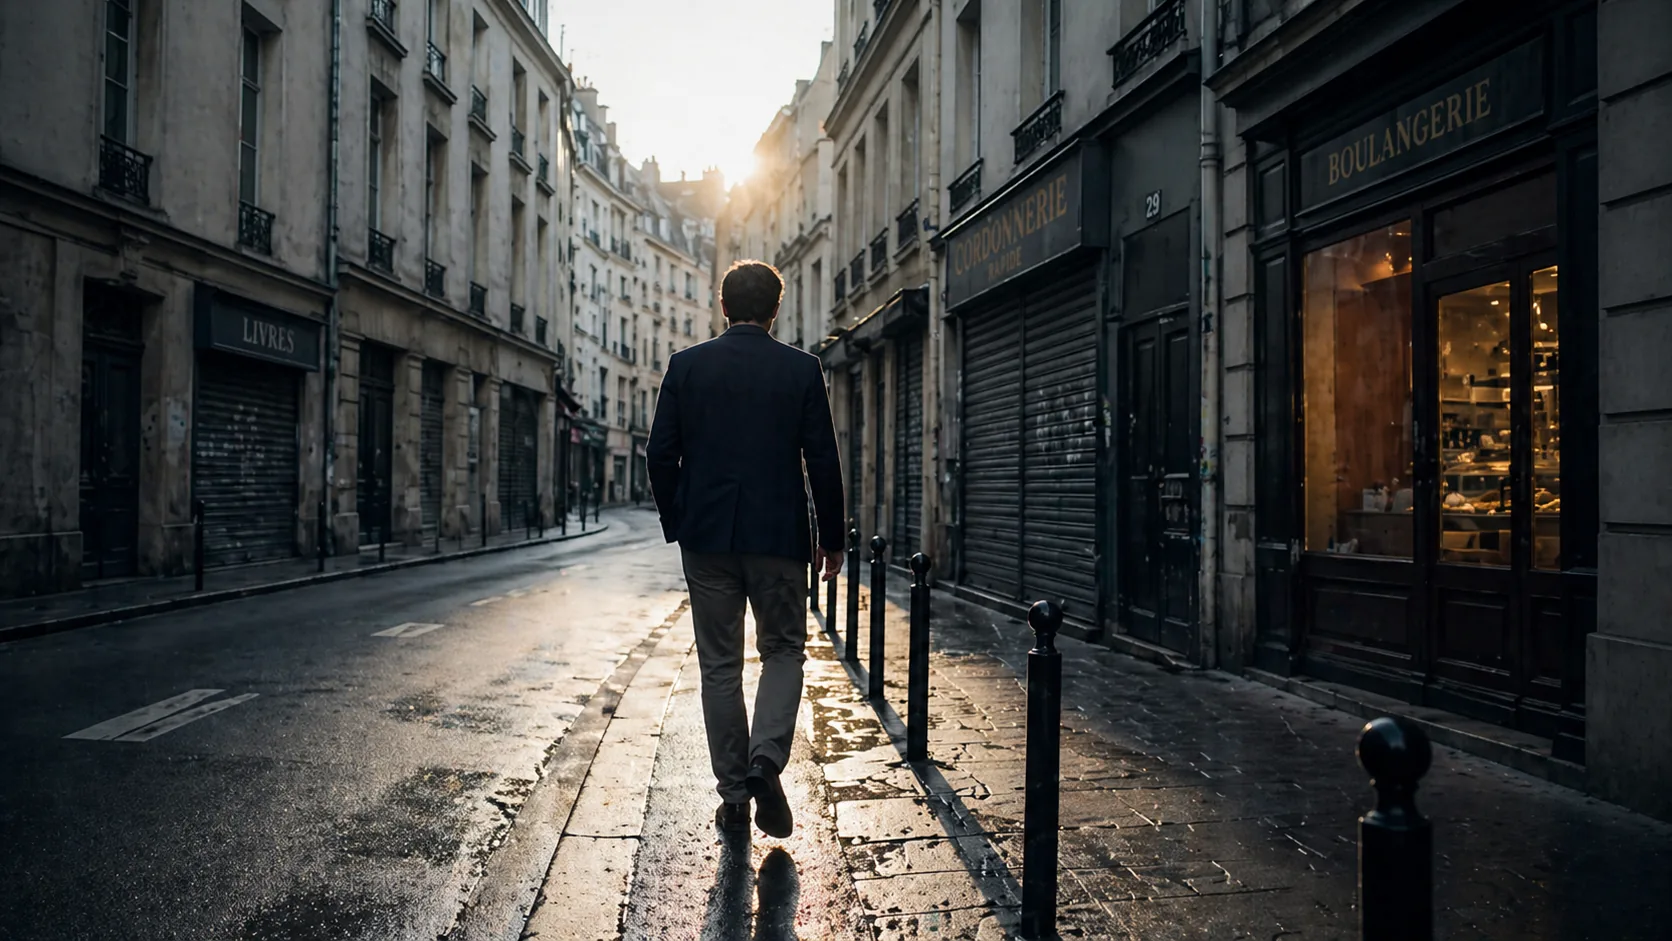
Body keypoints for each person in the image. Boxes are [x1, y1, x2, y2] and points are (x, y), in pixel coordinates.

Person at [646, 260, 845, 839]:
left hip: (707, 539)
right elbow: (823, 460)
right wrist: (831, 537)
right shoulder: (801, 370)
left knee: (719, 666)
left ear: (723, 306)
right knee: (783, 650)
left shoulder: (686, 367)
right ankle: (765, 760)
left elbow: (660, 454)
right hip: (779, 537)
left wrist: (679, 519)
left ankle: (735, 796)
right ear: (775, 310)